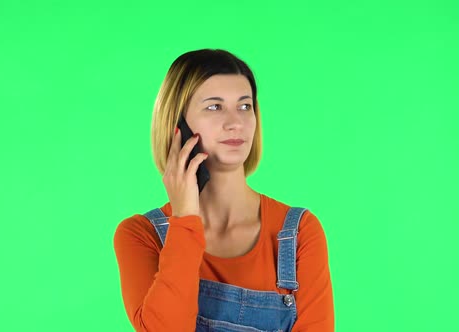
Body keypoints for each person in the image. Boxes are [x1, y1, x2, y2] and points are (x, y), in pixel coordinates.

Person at [113, 49, 334, 331]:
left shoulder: (299, 233)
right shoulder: (140, 236)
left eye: (245, 106)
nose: (236, 123)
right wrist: (185, 219)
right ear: (177, 124)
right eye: (214, 107)